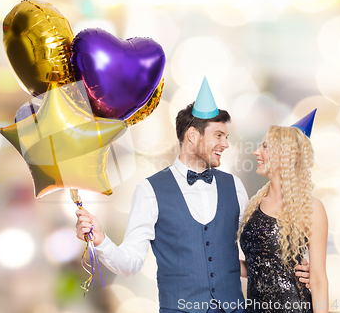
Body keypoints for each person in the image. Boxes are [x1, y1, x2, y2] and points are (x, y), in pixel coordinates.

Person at [75, 78, 310, 313]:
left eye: (226, 137)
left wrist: (294, 269)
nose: (225, 144)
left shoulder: (234, 186)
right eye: (218, 136)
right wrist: (101, 241)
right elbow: (130, 263)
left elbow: (258, 253)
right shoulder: (149, 191)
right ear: (192, 136)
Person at [238, 110, 328, 313]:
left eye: (265, 146)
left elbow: (319, 281)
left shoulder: (312, 208)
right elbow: (256, 266)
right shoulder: (255, 203)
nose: (256, 152)